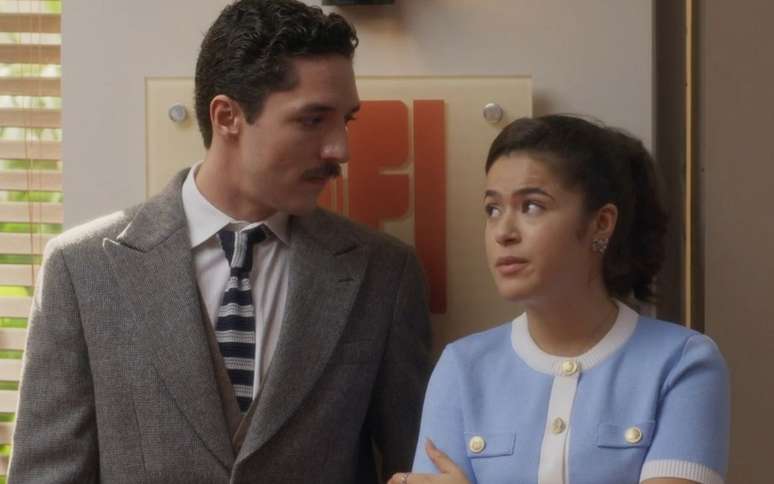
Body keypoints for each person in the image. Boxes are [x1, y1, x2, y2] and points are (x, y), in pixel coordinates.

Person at [9, 1, 432, 482]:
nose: (341, 149)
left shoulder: (384, 274)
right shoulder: (81, 270)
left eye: (345, 120)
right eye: (313, 120)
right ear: (227, 116)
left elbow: (415, 471)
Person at [390, 115, 729, 484]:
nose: (504, 232)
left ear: (601, 223)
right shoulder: (461, 367)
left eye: (532, 206)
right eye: (493, 209)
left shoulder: (682, 362)